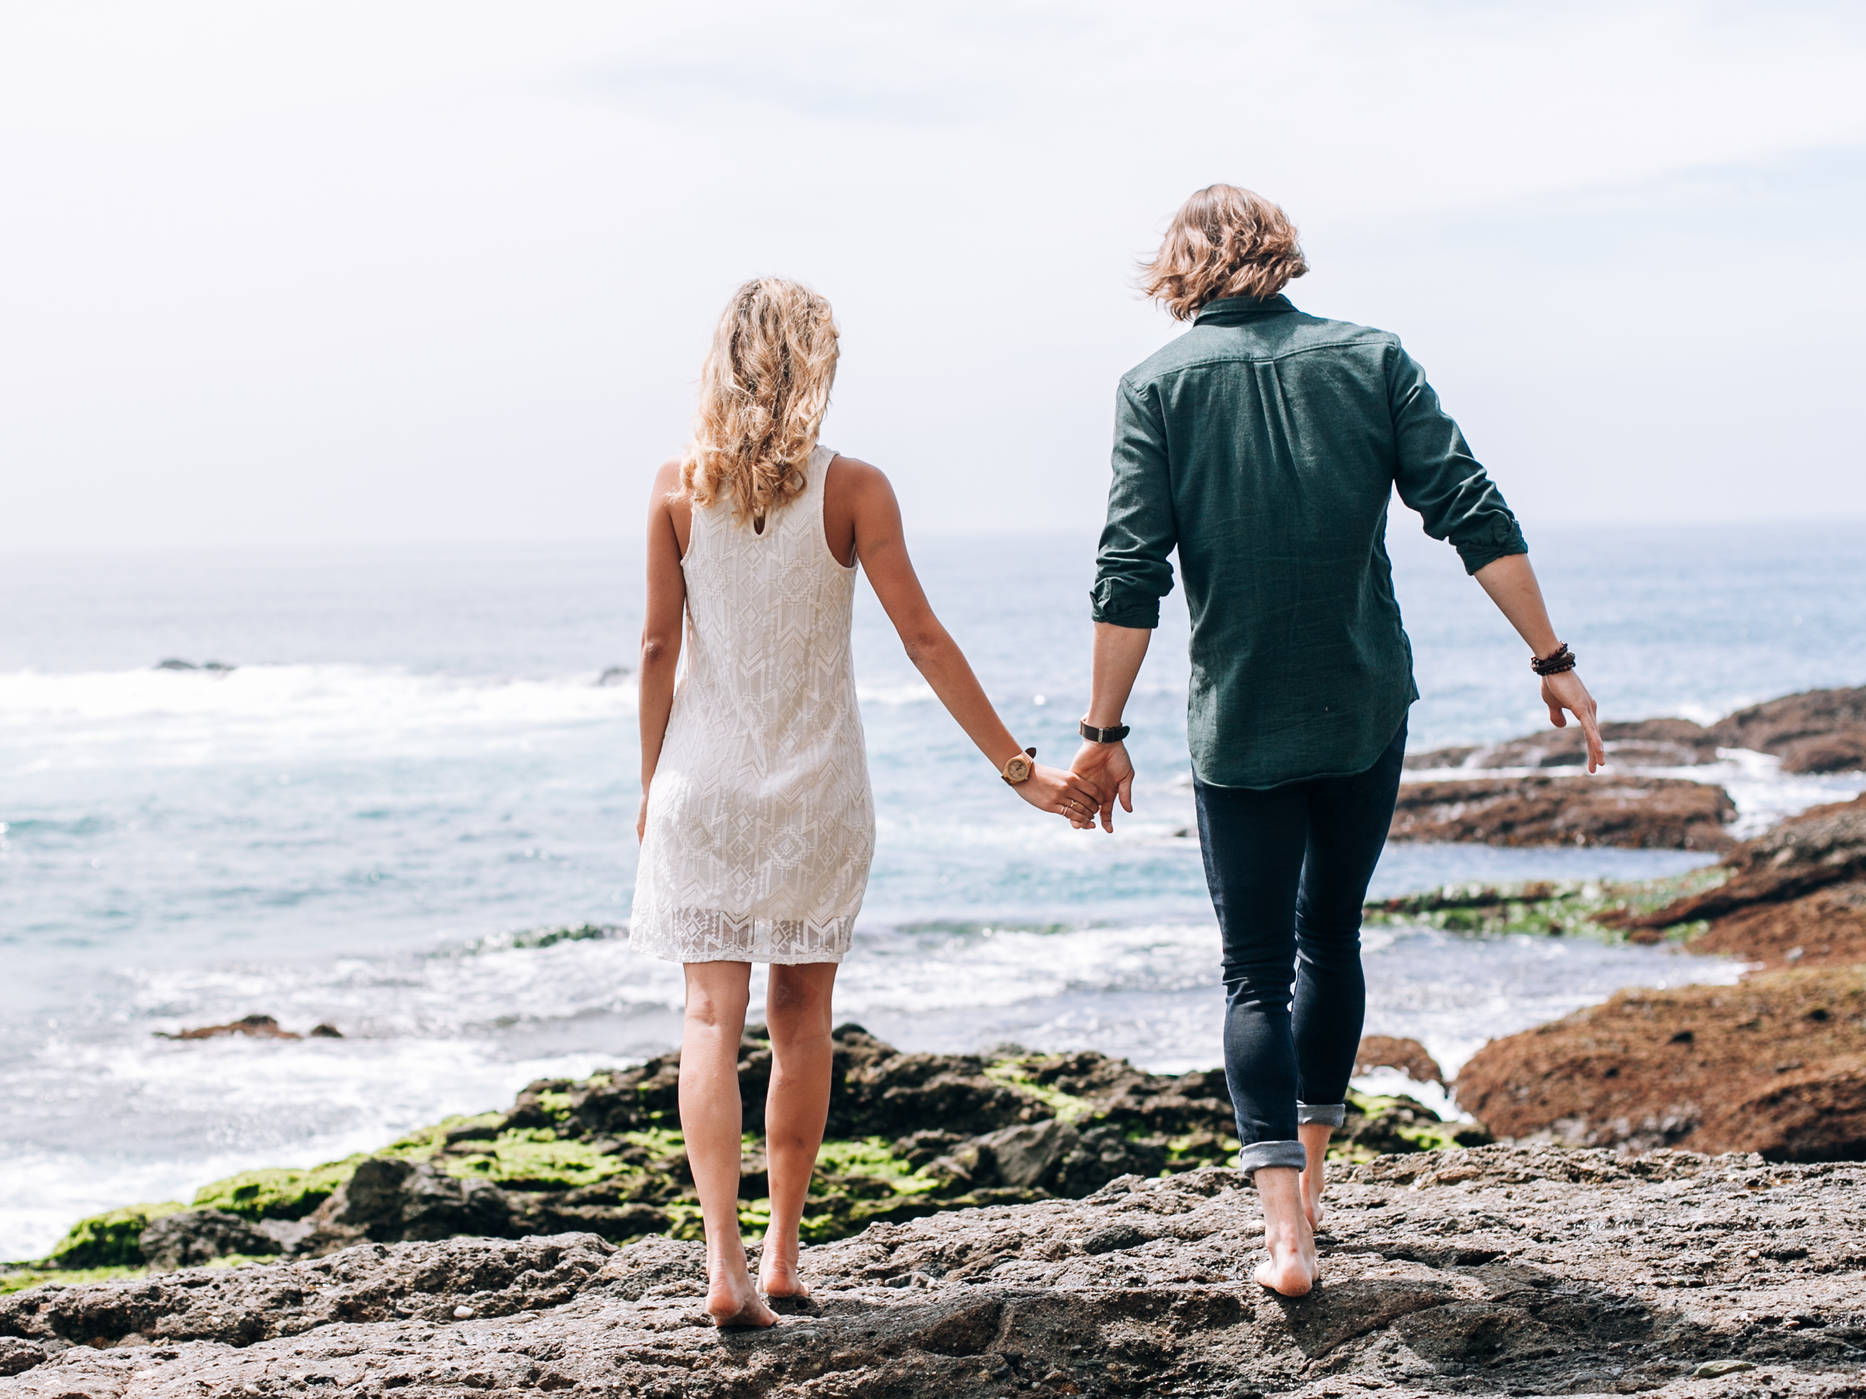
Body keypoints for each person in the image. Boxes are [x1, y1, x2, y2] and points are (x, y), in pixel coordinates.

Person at [1064, 185, 1601, 1299]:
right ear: (1280, 255)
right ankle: (1310, 1186)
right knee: (1331, 935)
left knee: (1254, 966)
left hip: (1240, 719)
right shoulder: (1369, 357)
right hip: (1362, 703)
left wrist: (1101, 734)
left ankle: (1284, 1239)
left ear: (1179, 272)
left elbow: (1130, 575)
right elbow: (1469, 506)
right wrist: (1550, 657)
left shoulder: (1155, 386)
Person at [632, 277, 1101, 1329]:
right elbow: (923, 638)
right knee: (801, 1019)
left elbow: (659, 648)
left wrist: (647, 783)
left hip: (699, 784)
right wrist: (1021, 771)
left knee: (709, 1014)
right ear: (814, 366)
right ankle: (786, 1254)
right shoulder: (856, 489)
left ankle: (722, 1266)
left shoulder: (674, 486)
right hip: (816, 791)